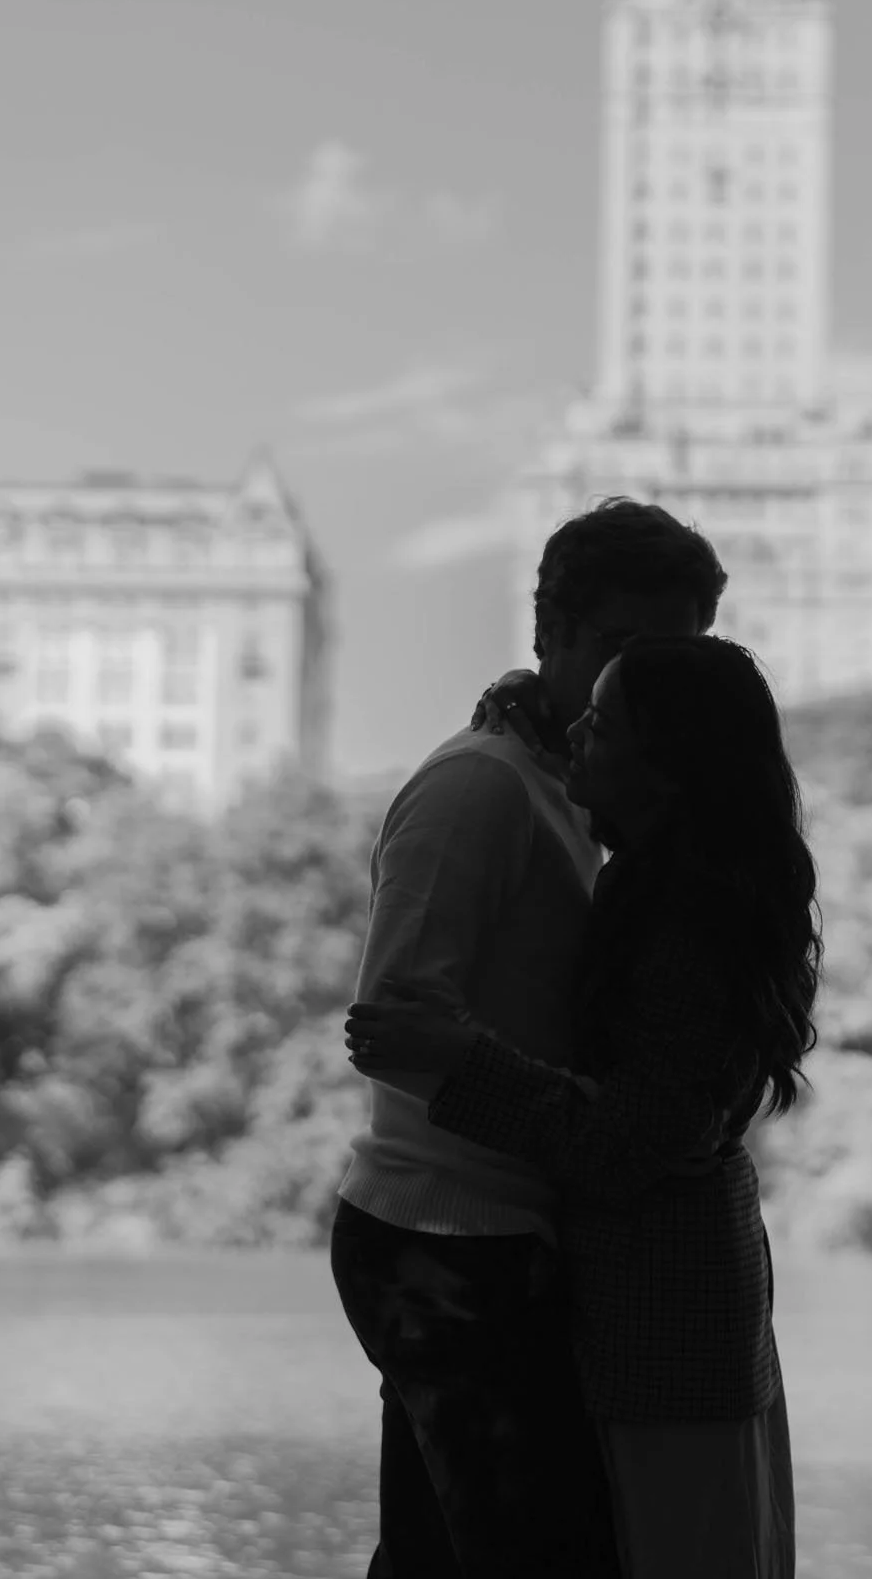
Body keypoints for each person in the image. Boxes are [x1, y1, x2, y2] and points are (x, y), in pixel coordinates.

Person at [347, 633, 820, 1579]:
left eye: (599, 727)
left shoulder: (688, 919)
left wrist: (456, 1063)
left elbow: (640, 1137)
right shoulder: (672, 877)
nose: (571, 737)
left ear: (668, 771)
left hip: (666, 1328)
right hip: (663, 1313)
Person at [329, 496, 728, 1579]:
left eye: (667, 659)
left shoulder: (576, 790)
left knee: (432, 1558)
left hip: (495, 1236)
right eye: (617, 648)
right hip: (446, 1238)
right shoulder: (477, 787)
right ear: (548, 626)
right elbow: (395, 1024)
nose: (634, 685)